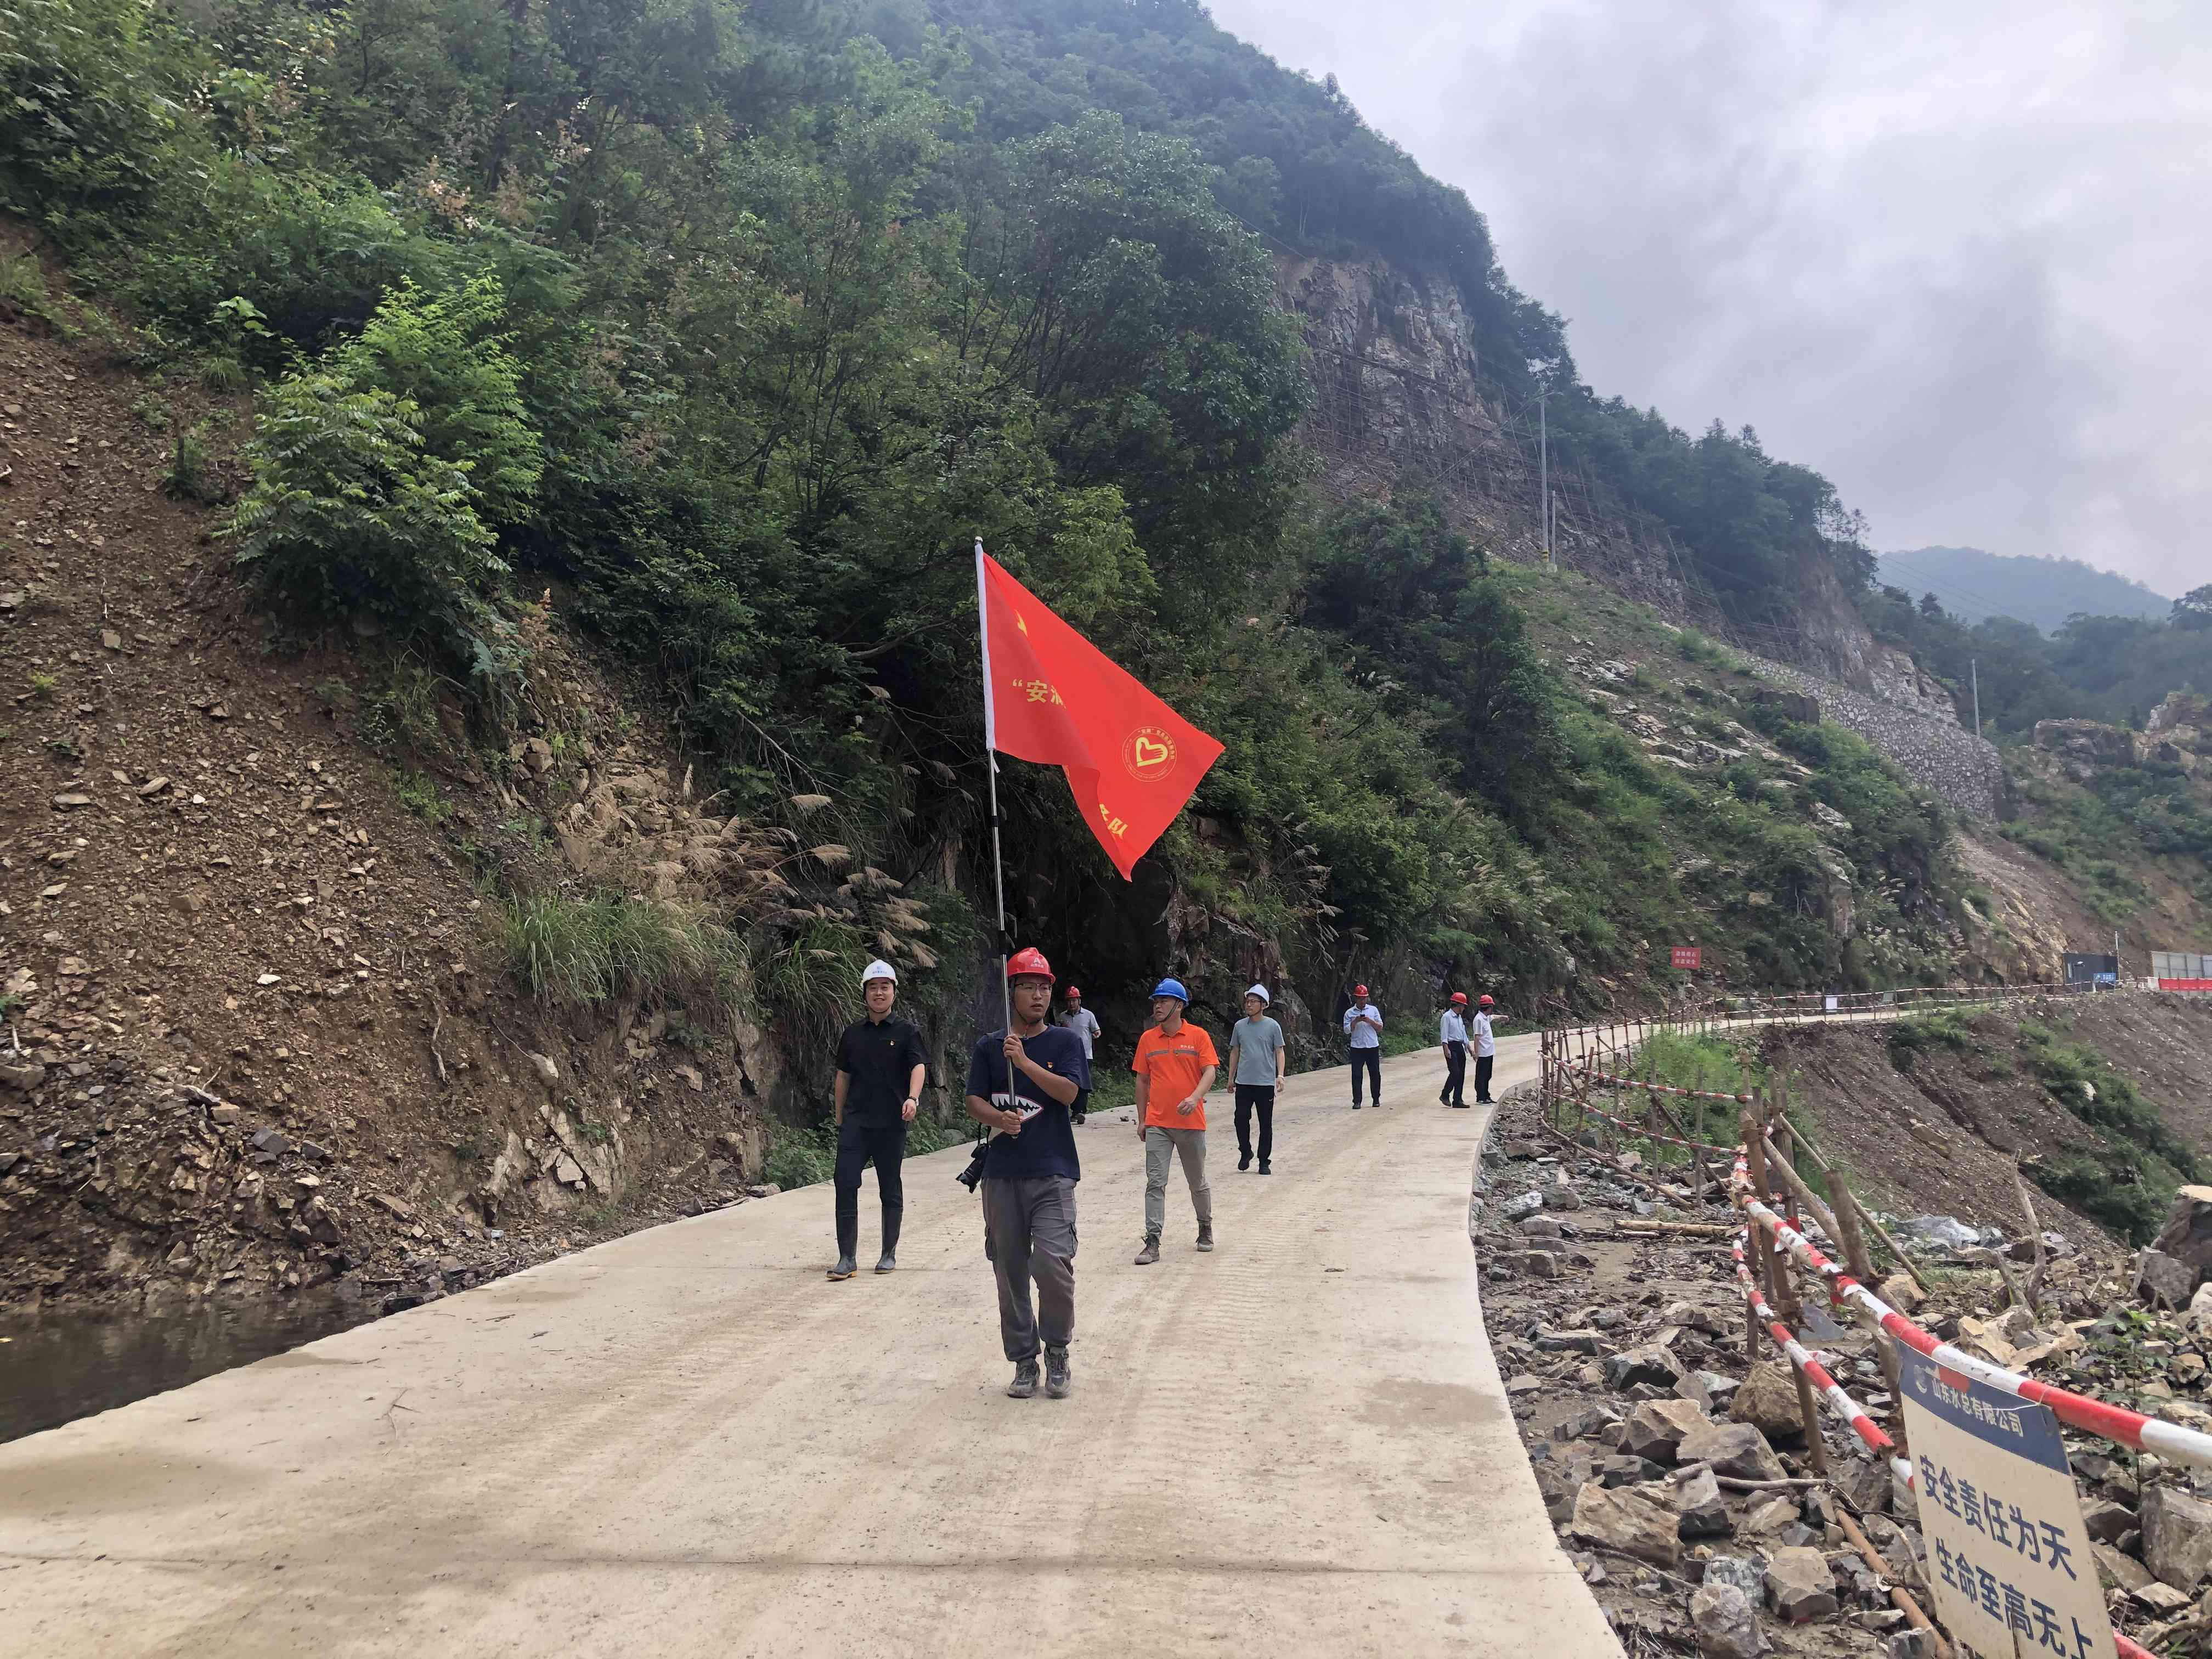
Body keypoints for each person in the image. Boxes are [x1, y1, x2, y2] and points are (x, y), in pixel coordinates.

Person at [965, 947, 1089, 1400]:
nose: (1038, 996)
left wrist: (1024, 1063)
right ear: (1011, 993)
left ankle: (1057, 1349)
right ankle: (1023, 1359)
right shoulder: (988, 1046)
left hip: (1053, 1171)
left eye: (1044, 988)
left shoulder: (1065, 1043)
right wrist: (998, 1119)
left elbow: (1070, 1094)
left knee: (1053, 1264)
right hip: (1002, 1175)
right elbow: (973, 1100)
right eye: (1028, 987)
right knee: (1009, 1270)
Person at [828, 959, 929, 1280]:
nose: (879, 993)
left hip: (891, 1123)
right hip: (856, 1122)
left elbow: (918, 1066)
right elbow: (843, 1075)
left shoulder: (907, 1032)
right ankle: (847, 1258)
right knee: (845, 1182)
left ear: (894, 992)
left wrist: (913, 1098)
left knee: (890, 1186)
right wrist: (840, 1115)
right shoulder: (852, 1034)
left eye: (885, 987)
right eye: (873, 987)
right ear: (865, 993)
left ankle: (889, 1253)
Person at [1132, 977, 1217, 1265]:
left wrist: (1194, 1098)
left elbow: (1210, 1072)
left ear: (1179, 1006)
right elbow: (1142, 1081)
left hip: (1191, 1123)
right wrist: (1142, 1119)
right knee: (1155, 1183)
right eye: (1156, 1001)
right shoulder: (1148, 1039)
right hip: (1158, 1123)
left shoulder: (1198, 1036)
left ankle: (1205, 1228)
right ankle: (1152, 1242)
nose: (1157, 1006)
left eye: (1164, 1001)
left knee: (1197, 1182)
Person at [1227, 984, 1286, 1173]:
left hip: (1265, 1084)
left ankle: (1264, 1161)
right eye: (1247, 1001)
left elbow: (1279, 1051)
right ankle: (1246, 1152)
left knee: (1265, 1124)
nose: (1249, 1005)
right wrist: (1231, 1078)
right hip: (1244, 1082)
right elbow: (1235, 1052)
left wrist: (1280, 1075)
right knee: (1240, 1119)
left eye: (1253, 1002)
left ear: (1264, 1005)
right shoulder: (1239, 1026)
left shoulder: (1273, 1026)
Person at [1342, 983, 1383, 1109]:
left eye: (1364, 998)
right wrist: (1355, 1021)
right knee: (1357, 1075)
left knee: (1375, 1074)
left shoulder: (1373, 1010)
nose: (1362, 1001)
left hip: (1372, 1046)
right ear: (1356, 998)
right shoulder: (1349, 1013)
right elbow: (1346, 1031)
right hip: (1357, 1047)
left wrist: (1370, 1021)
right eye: (1360, 998)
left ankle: (1376, 1099)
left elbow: (1380, 1027)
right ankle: (1357, 1101)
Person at [1056, 985, 1102, 1069]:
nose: (1071, 1004)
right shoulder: (1062, 1016)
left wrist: (1096, 1035)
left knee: (1084, 1078)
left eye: (1074, 1001)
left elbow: (1097, 1031)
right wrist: (1062, 1028)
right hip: (1068, 1056)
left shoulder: (1089, 1015)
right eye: (1069, 1001)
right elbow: (1058, 1036)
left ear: (1079, 1001)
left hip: (1086, 1056)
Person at [1438, 991, 1470, 1109]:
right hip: (1451, 1046)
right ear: (1459, 1005)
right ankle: (1445, 1094)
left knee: (1461, 1074)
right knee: (1455, 1072)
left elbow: (1463, 1033)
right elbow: (1444, 1034)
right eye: (1463, 1006)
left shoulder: (1459, 1018)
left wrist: (1468, 1047)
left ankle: (1458, 1099)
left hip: (1459, 1046)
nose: (1464, 1008)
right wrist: (1446, 1048)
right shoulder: (1447, 1017)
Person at [1472, 993, 1498, 1104]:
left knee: (1488, 1075)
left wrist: (1503, 1018)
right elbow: (1477, 1037)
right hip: (1483, 1053)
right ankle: (1481, 1097)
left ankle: (1486, 1096)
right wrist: (1476, 1053)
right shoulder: (1479, 1020)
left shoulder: (1486, 1018)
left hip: (1489, 1052)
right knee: (1481, 1076)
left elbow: (1494, 1017)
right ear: (1489, 1007)